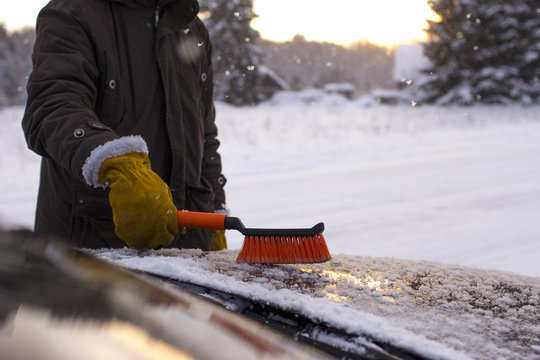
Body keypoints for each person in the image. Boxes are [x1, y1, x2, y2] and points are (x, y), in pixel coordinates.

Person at [22, 0, 227, 251]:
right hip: (95, 249)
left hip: (191, 247)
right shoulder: (74, 12)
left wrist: (215, 211)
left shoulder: (191, 28)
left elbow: (204, 135)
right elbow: (52, 107)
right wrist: (113, 161)